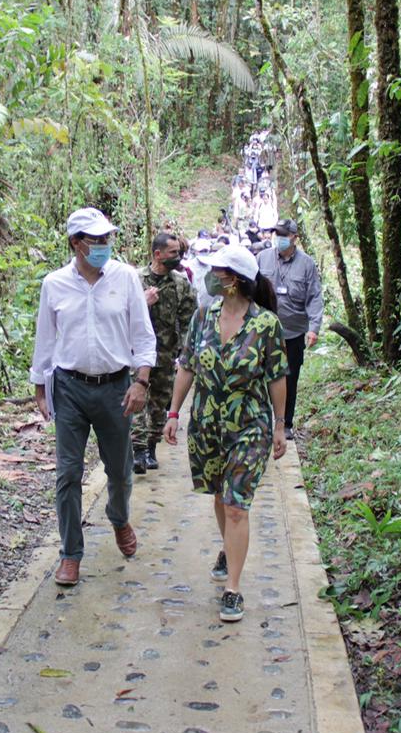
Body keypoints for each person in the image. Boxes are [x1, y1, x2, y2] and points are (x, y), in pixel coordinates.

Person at [30, 208, 158, 587]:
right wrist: (40, 389)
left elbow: (143, 334)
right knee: (68, 473)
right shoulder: (54, 284)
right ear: (75, 243)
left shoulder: (126, 277)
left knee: (119, 470)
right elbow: (45, 340)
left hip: (116, 388)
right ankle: (71, 553)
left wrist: (141, 382)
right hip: (69, 388)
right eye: (95, 240)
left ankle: (119, 518)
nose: (103, 246)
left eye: (107, 239)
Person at [162, 245, 288, 622]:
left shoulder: (266, 325)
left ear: (234, 280)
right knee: (219, 496)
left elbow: (277, 377)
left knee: (236, 504)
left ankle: (233, 588)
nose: (211, 276)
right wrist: (173, 413)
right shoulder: (203, 316)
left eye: (218, 271)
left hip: (250, 425)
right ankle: (227, 548)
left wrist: (281, 425)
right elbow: (186, 365)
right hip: (207, 423)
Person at [133, 233, 198, 475]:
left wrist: (184, 352)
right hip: (136, 354)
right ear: (157, 254)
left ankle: (150, 447)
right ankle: (137, 450)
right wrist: (143, 301)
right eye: (173, 253)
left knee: (160, 404)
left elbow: (188, 319)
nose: (178, 258)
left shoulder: (181, 283)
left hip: (165, 354)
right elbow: (119, 313)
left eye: (179, 253)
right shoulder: (135, 280)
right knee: (136, 401)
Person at [256, 219, 324, 440]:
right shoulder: (262, 259)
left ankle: (285, 423)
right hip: (262, 332)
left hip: (292, 333)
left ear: (295, 237)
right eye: (277, 234)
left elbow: (314, 296)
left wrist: (314, 327)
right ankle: (262, 421)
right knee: (259, 376)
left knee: (289, 378)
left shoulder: (307, 264)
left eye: (285, 234)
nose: (280, 238)